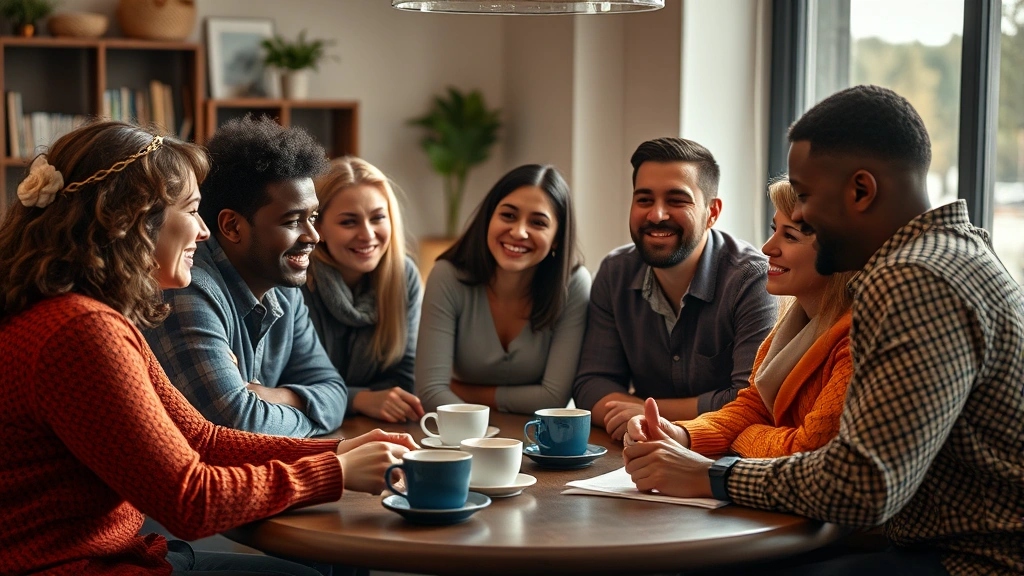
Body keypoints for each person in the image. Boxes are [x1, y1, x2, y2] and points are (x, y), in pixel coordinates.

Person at [623, 85, 1023, 575]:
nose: (803, 215)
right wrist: (691, 442)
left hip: (973, 562)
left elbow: (862, 487)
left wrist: (714, 476)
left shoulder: (912, 279)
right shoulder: (955, 250)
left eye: (806, 198)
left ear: (861, 190)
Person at [0, 121, 416, 575]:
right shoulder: (81, 331)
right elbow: (189, 500)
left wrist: (339, 452)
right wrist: (333, 473)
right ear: (131, 219)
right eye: (193, 210)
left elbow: (204, 438)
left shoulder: (90, 316)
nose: (203, 230)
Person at [145, 116, 349, 437]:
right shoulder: (185, 285)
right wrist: (309, 412)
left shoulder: (284, 287)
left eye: (313, 217)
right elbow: (236, 424)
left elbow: (335, 392)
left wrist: (271, 396)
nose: (313, 236)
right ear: (232, 226)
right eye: (293, 221)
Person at [625, 177, 855, 459]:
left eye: (791, 236)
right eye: (774, 230)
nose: (768, 247)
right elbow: (752, 408)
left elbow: (807, 451)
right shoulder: (793, 324)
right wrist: (679, 434)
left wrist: (745, 435)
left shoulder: (853, 341)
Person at [573, 137, 778, 440]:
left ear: (712, 212)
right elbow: (591, 383)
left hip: (721, 457)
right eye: (644, 199)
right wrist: (635, 418)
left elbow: (749, 401)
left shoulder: (752, 280)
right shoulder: (614, 273)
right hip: (637, 450)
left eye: (676, 200)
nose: (656, 215)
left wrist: (647, 411)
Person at [415, 164, 591, 414]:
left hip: (538, 440)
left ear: (557, 238)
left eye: (538, 223)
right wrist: (479, 434)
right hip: (458, 438)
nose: (518, 232)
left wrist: (462, 391)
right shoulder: (447, 276)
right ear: (488, 218)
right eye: (508, 215)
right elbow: (431, 392)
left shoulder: (574, 284)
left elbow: (552, 398)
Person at [303, 156, 424, 423]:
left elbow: (407, 380)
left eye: (378, 217)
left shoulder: (404, 276)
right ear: (319, 226)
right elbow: (287, 386)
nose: (368, 234)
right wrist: (357, 399)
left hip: (381, 427)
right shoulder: (298, 280)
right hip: (311, 429)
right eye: (349, 222)